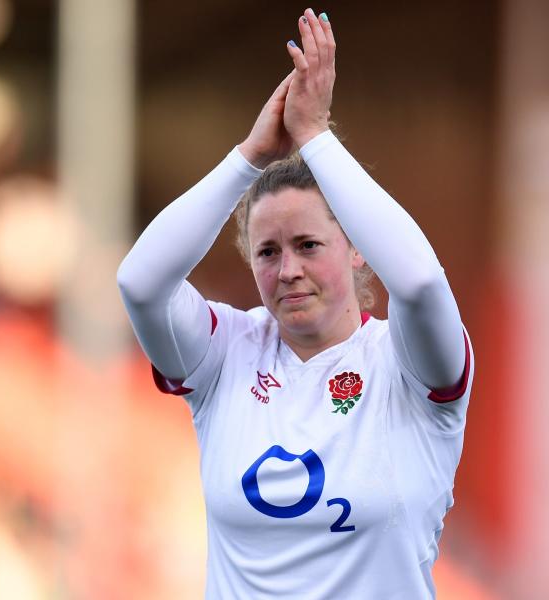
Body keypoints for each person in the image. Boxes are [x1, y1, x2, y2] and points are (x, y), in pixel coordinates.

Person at [117, 8, 472, 599]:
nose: (289, 271)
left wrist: (316, 138)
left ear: (357, 249)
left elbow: (420, 284)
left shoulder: (403, 364)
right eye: (267, 252)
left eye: (309, 245)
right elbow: (141, 283)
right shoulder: (227, 355)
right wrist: (249, 157)